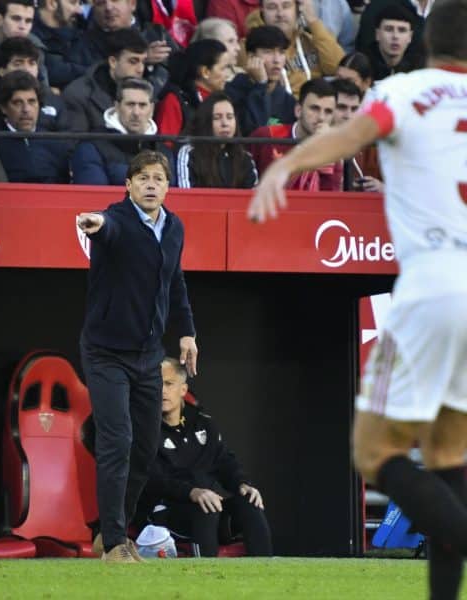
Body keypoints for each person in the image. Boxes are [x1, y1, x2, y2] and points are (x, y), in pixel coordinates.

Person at [248, 1, 467, 597]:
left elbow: (350, 135)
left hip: (431, 287)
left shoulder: (404, 90)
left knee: (375, 452)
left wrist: (283, 166)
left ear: (426, 42)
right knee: (449, 458)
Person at [77, 150, 198, 563]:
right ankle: (114, 543)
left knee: (146, 447)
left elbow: (175, 282)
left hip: (148, 355)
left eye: (158, 179)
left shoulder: (174, 227)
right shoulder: (117, 219)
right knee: (118, 440)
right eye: (142, 178)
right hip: (105, 351)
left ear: (168, 186)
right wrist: (96, 226)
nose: (150, 185)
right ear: (128, 185)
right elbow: (106, 226)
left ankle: (109, 529)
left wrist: (187, 332)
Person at [138, 357, 272, 557]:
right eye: (156, 384)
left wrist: (242, 484)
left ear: (183, 390)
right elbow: (151, 479)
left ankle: (267, 573)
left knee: (249, 502)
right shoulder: (142, 428)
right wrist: (192, 492)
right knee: (206, 506)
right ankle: (204, 575)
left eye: (168, 384)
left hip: (208, 513)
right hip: (163, 515)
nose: (162, 390)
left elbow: (224, 461)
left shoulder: (203, 424)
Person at [71, 77, 176, 185]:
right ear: (117, 106)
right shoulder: (91, 147)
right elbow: (94, 196)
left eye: (142, 105)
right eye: (130, 104)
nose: (136, 112)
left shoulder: (163, 151)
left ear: (152, 109)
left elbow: (173, 195)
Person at [248, 77, 341, 190]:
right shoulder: (266, 136)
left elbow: (330, 199)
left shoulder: (332, 152)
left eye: (328, 112)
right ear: (298, 110)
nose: (321, 117)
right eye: (314, 108)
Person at [244, 0, 345, 97]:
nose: (280, 14)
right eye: (272, 7)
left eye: (286, 5)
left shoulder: (309, 39)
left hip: (316, 109)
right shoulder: (250, 48)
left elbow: (339, 68)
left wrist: (313, 21)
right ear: (262, 11)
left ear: (298, 9)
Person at [0, 37, 68, 132]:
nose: (27, 69)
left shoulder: (51, 97)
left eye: (32, 63)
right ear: (2, 71)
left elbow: (67, 137)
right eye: (18, 64)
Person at [63, 27, 148, 132]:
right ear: (113, 62)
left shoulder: (146, 93)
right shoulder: (78, 95)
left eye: (143, 62)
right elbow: (77, 142)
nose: (140, 69)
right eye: (133, 61)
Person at [0, 70, 71, 183]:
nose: (26, 109)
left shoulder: (56, 144)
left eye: (32, 102)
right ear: (3, 108)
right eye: (17, 103)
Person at [176, 91, 258, 188]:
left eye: (230, 117)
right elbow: (186, 197)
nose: (225, 123)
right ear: (205, 122)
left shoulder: (245, 158)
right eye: (217, 118)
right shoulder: (189, 153)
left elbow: (254, 199)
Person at [225, 24, 296, 135]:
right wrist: (261, 84)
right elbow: (254, 134)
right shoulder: (231, 92)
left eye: (281, 52)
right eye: (268, 52)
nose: (276, 60)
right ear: (251, 56)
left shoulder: (289, 102)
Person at [154, 39, 230, 136]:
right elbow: (165, 145)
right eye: (223, 68)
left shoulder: (223, 101)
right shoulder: (174, 100)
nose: (227, 75)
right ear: (205, 71)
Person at [32, 0, 93, 91]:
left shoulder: (81, 29)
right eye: (73, 3)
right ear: (51, 3)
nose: (79, 10)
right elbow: (52, 71)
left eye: (80, 3)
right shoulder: (29, 35)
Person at [365, 4, 421, 82]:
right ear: (377, 34)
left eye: (402, 30)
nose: (395, 36)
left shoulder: (419, 71)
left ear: (410, 36)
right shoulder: (363, 66)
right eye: (389, 29)